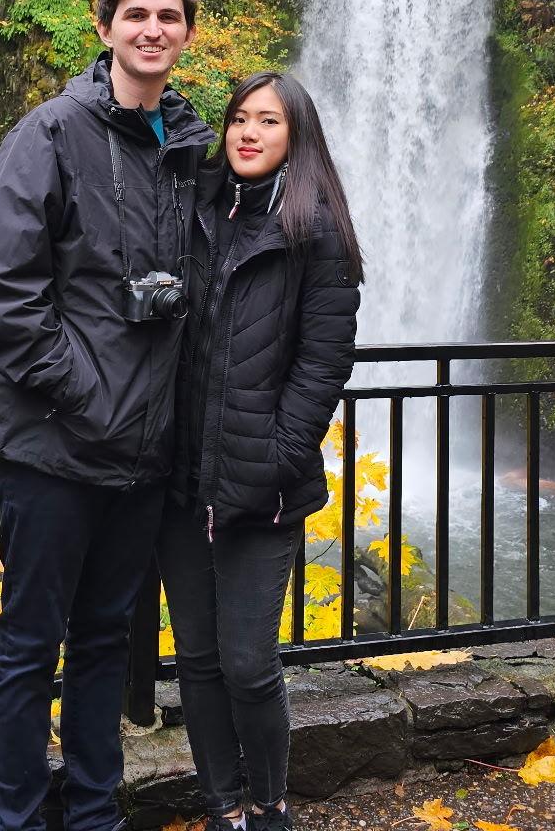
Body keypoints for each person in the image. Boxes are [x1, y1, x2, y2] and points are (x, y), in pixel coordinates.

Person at [0, 0, 214, 831]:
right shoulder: (53, 132)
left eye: (170, 17)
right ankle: (19, 821)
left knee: (108, 644)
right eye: (136, 14)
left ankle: (96, 815)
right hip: (52, 448)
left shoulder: (186, 149)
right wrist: (86, 394)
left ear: (186, 34)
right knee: (31, 650)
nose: (153, 29)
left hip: (142, 456)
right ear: (105, 29)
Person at [159, 72, 362, 831]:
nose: (248, 132)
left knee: (247, 662)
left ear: (296, 137)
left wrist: (277, 455)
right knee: (199, 662)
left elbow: (323, 362)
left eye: (268, 121)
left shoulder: (317, 234)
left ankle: (271, 805)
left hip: (263, 487)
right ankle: (222, 805)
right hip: (182, 480)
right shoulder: (203, 211)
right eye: (239, 118)